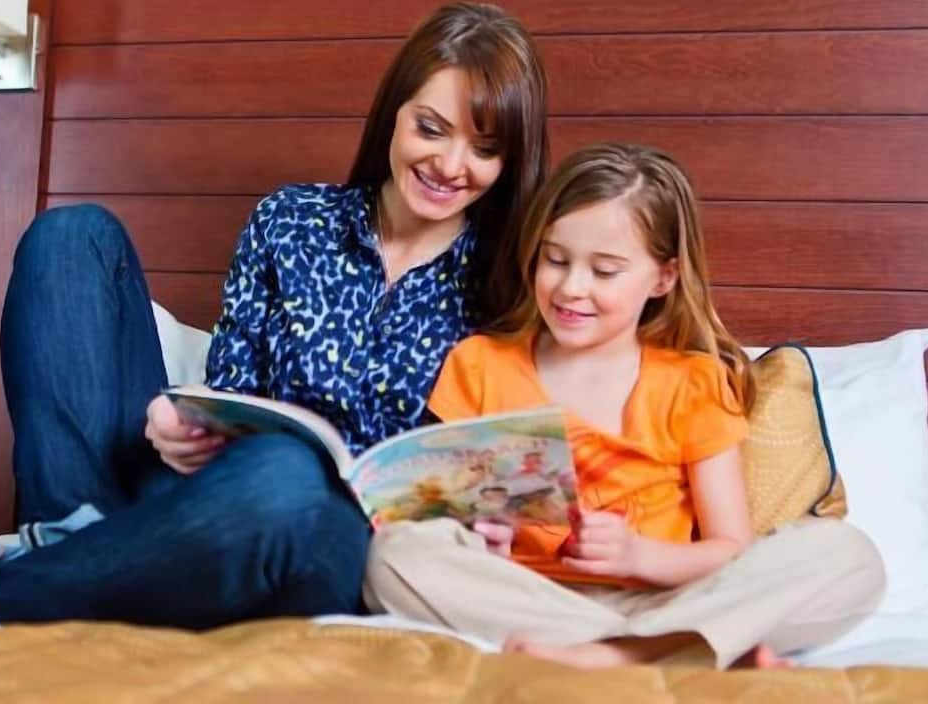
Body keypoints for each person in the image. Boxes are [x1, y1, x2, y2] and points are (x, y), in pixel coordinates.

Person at [0, 2, 549, 629]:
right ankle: (71, 543)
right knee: (73, 236)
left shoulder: (511, 283)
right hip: (199, 491)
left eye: (485, 148)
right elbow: (231, 388)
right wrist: (182, 420)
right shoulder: (290, 220)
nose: (450, 166)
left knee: (284, 476)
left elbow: (495, 462)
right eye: (431, 128)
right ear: (395, 112)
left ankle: (13, 590)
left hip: (328, 538)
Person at [362, 144, 886, 669]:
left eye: (605, 271)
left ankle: (617, 656)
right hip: (527, 600)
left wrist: (639, 555)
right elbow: (450, 519)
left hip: (670, 600)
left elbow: (731, 549)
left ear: (663, 277)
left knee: (848, 557)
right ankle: (668, 655)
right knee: (395, 557)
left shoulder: (691, 382)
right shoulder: (479, 365)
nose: (571, 288)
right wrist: (481, 543)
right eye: (556, 259)